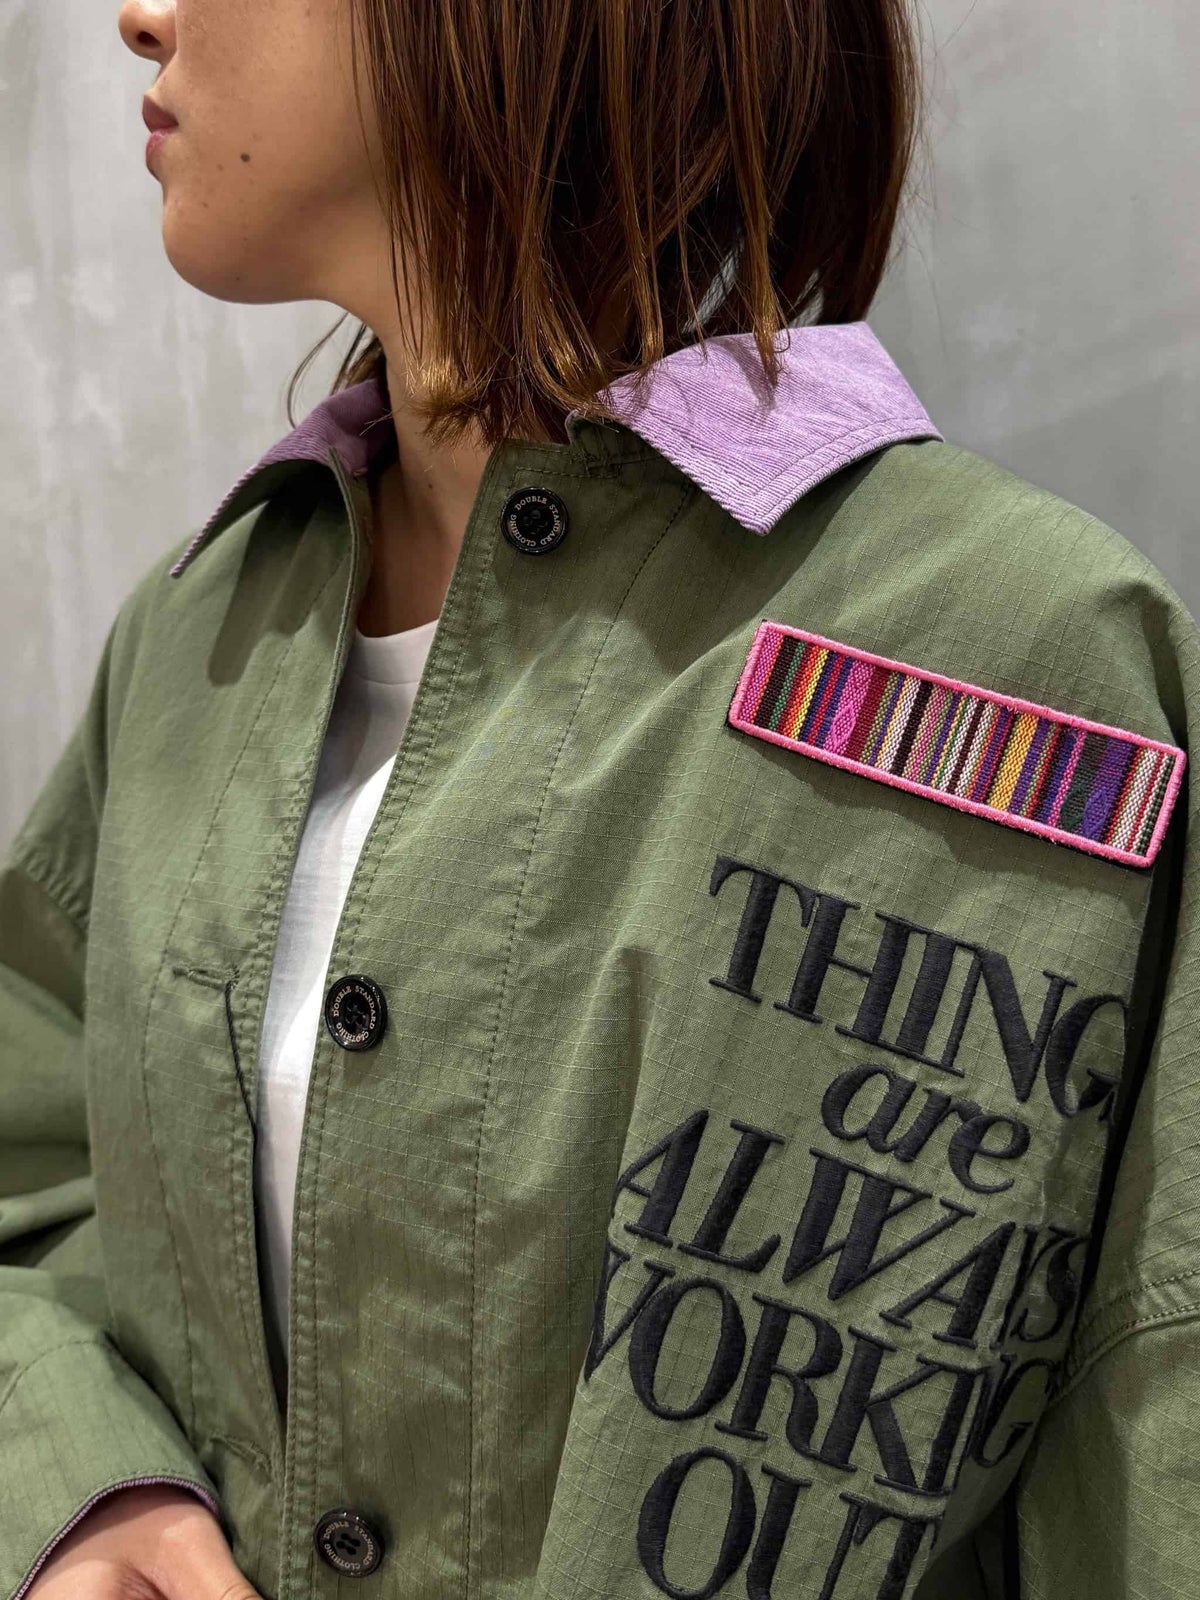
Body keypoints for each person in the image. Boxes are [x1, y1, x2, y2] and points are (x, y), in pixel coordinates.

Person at [3, 0, 1198, 1594]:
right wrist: (85, 1482)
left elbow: (1151, 1433)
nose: (142, 15)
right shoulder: (197, 643)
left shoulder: (1014, 657)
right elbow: (28, 1176)